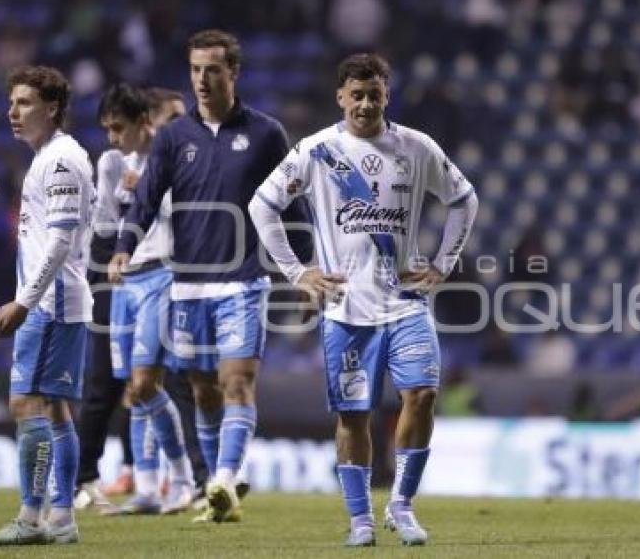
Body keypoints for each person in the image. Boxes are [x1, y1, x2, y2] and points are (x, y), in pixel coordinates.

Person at [248, 53, 478, 547]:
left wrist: (443, 262)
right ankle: (360, 520)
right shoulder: (316, 151)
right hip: (346, 308)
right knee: (353, 416)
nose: (366, 104)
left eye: (375, 94)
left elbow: (465, 199)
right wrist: (298, 271)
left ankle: (401, 504)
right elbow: (262, 205)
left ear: (386, 96)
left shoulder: (416, 148)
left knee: (423, 395)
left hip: (406, 302)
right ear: (341, 97)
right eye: (357, 95)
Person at [112, 29, 310, 523]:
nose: (202, 79)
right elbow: (147, 196)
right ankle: (214, 489)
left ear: (233, 73)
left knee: (237, 381)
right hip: (188, 285)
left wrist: (305, 271)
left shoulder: (266, 133)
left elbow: (294, 206)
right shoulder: (175, 137)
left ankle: (223, 479)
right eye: (196, 69)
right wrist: (123, 248)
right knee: (202, 389)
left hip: (243, 280)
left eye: (213, 70)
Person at [0, 65, 95, 546]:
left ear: (53, 108)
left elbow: (61, 241)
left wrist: (24, 302)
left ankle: (31, 517)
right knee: (56, 409)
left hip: (52, 302)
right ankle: (63, 517)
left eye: (24, 102)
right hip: (57, 301)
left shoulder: (62, 159)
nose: (13, 111)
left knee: (27, 403)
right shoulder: (49, 157)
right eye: (12, 102)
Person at [91, 83, 196, 515]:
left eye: (119, 128)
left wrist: (154, 191)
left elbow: (194, 212)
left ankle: (184, 478)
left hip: (162, 275)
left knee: (146, 383)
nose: (113, 138)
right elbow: (104, 222)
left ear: (142, 123)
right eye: (108, 130)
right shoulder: (115, 162)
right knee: (134, 391)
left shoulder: (172, 158)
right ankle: (149, 489)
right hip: (125, 281)